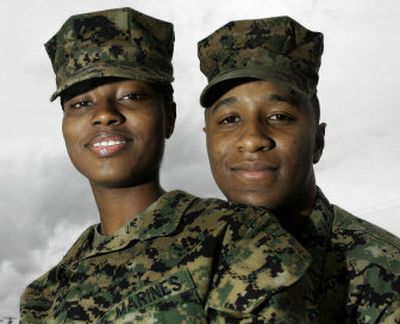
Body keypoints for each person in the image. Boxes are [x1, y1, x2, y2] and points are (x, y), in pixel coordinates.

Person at [19, 8, 316, 323]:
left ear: (169, 117)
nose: (104, 114)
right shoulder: (46, 295)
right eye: (81, 104)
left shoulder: (239, 239)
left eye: (132, 96)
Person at [198, 16, 400, 323]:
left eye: (279, 116)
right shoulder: (182, 265)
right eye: (229, 120)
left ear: (317, 142)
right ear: (208, 142)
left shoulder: (387, 274)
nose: (252, 139)